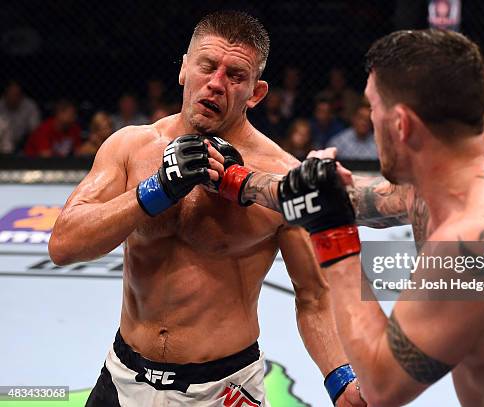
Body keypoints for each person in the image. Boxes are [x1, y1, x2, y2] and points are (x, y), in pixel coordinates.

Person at [221, 29, 484, 406]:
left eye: (372, 106)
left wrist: (332, 233)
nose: (367, 117)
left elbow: (382, 387)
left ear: (401, 124)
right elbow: (353, 198)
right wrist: (235, 180)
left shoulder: (479, 238)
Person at [49, 11, 363, 407]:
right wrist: (156, 189)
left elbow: (314, 297)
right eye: (207, 66)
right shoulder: (130, 147)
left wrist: (341, 381)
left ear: (256, 92)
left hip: (224, 390)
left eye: (234, 75)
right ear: (184, 68)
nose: (215, 84)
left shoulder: (280, 176)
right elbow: (63, 245)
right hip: (124, 377)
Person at [0, 80, 41, 153]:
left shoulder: (30, 106)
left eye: (16, 94)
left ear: (21, 96)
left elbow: (35, 131)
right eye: (10, 94)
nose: (13, 98)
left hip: (23, 144)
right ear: (5, 95)